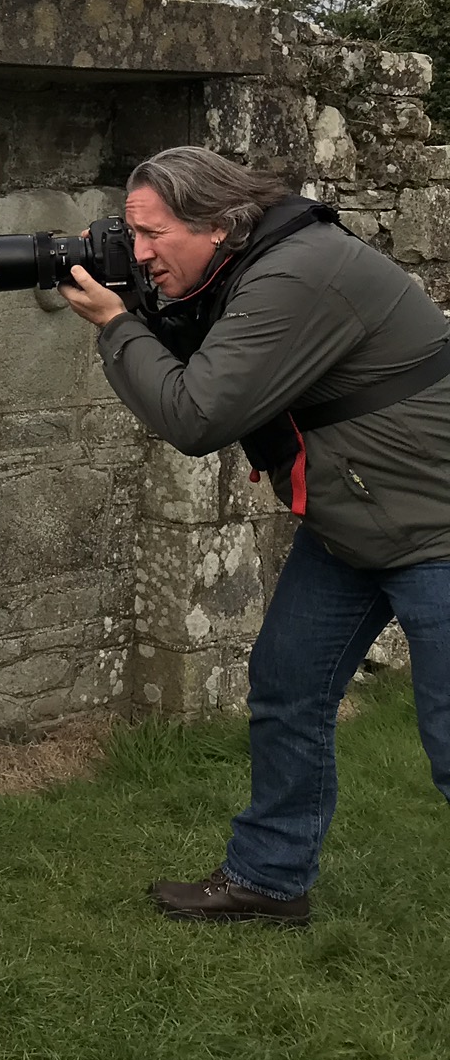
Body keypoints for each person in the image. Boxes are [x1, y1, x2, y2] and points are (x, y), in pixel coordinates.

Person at [60, 145, 450, 924]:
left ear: (217, 223)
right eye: (128, 236)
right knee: (288, 688)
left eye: (151, 234)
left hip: (435, 523)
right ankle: (268, 883)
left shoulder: (296, 274)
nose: (137, 254)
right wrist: (141, 312)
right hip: (356, 520)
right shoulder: (247, 267)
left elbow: (197, 415)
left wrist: (115, 325)